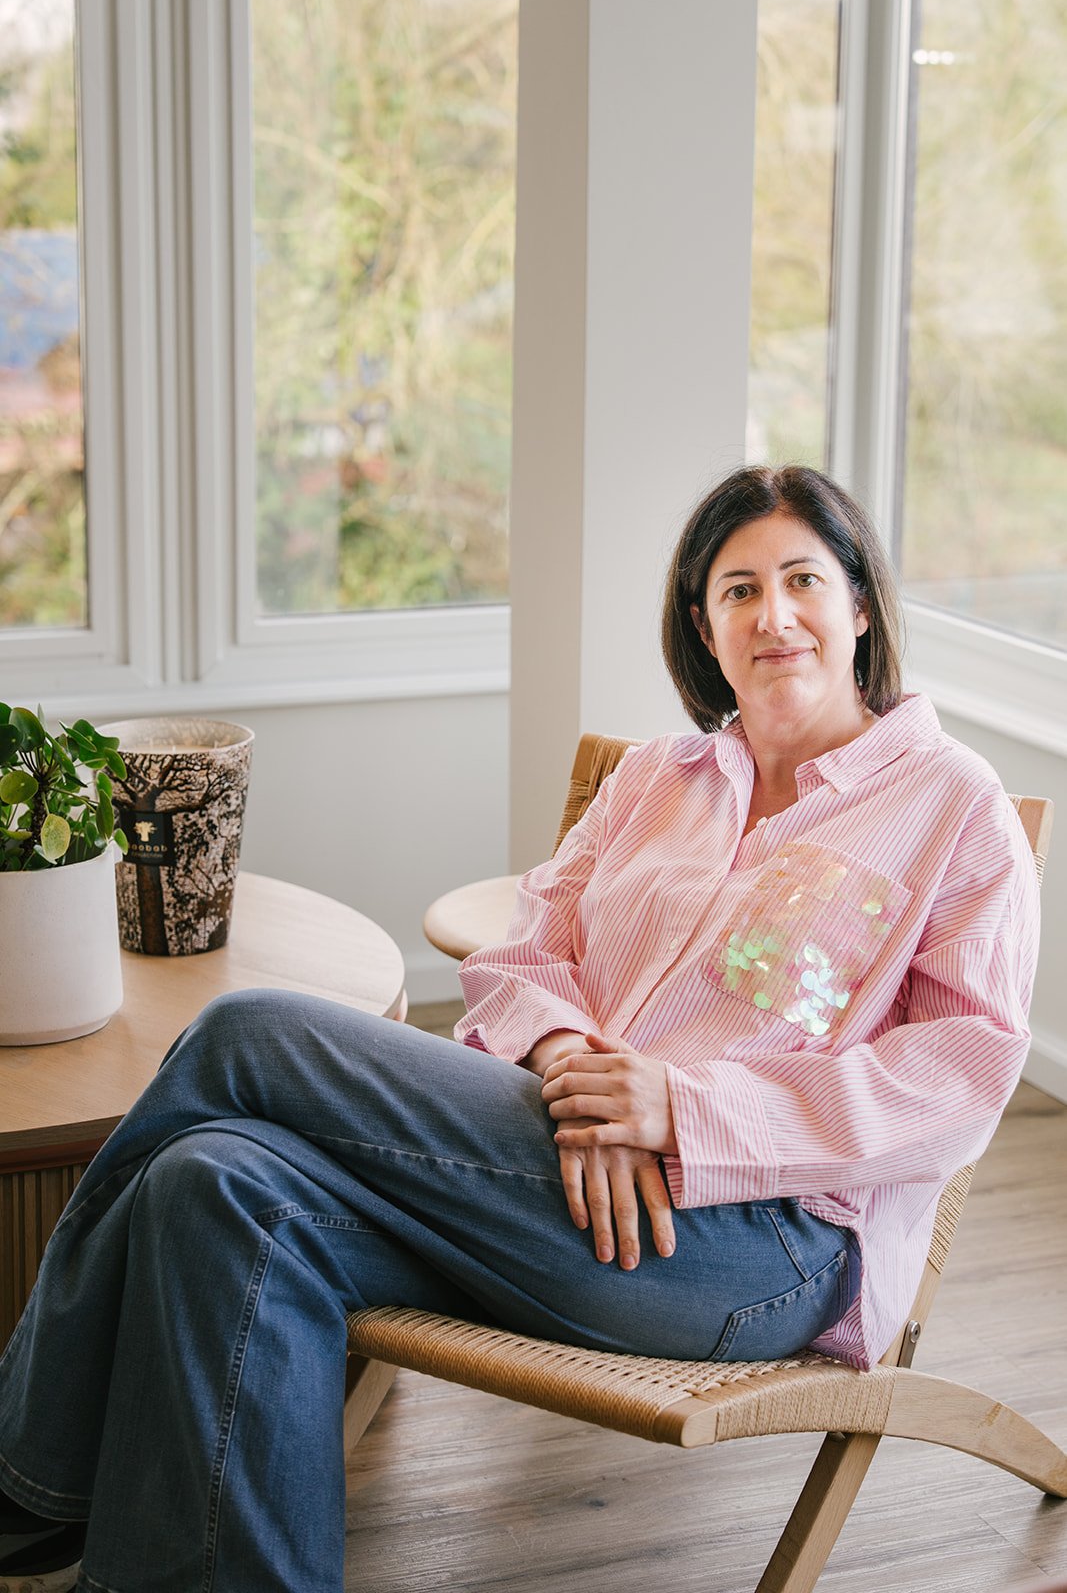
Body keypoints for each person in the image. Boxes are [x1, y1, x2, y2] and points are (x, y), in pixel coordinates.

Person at [0, 465, 1039, 1593]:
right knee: (211, 1183)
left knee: (248, 1034)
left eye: (802, 580)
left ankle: (26, 1481)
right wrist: (577, 1075)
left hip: (754, 1243)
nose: (772, 614)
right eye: (736, 589)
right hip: (545, 1164)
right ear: (702, 623)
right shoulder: (656, 779)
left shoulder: (949, 803)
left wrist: (678, 1112)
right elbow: (518, 952)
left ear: (859, 605)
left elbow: (959, 1074)